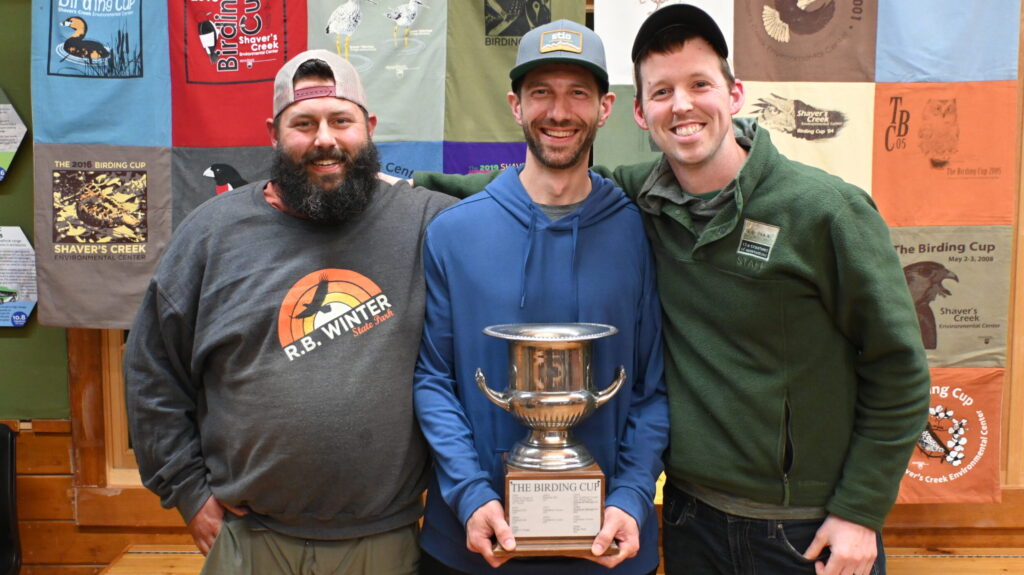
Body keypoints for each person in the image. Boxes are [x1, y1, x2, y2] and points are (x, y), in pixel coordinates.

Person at [414, 6, 931, 575]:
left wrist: (861, 509)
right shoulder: (646, 203)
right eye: (662, 91)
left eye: (700, 84)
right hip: (690, 524)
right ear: (641, 111)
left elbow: (900, 371)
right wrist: (408, 185)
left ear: (735, 95)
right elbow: (537, 190)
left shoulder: (820, 211)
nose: (682, 105)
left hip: (805, 530)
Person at [123, 49, 457, 575]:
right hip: (251, 540)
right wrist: (187, 492)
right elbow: (152, 373)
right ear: (273, 134)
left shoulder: (425, 223)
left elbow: (514, 208)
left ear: (368, 128)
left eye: (340, 121)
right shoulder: (211, 233)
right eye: (303, 123)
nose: (325, 138)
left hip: (385, 538)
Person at [412, 19, 668, 575]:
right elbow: (433, 379)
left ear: (605, 108)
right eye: (541, 93)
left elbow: (653, 387)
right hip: (472, 546)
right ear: (515, 104)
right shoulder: (454, 233)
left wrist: (630, 497)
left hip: (611, 548)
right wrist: (470, 496)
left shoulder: (640, 232)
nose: (559, 112)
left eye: (578, 92)